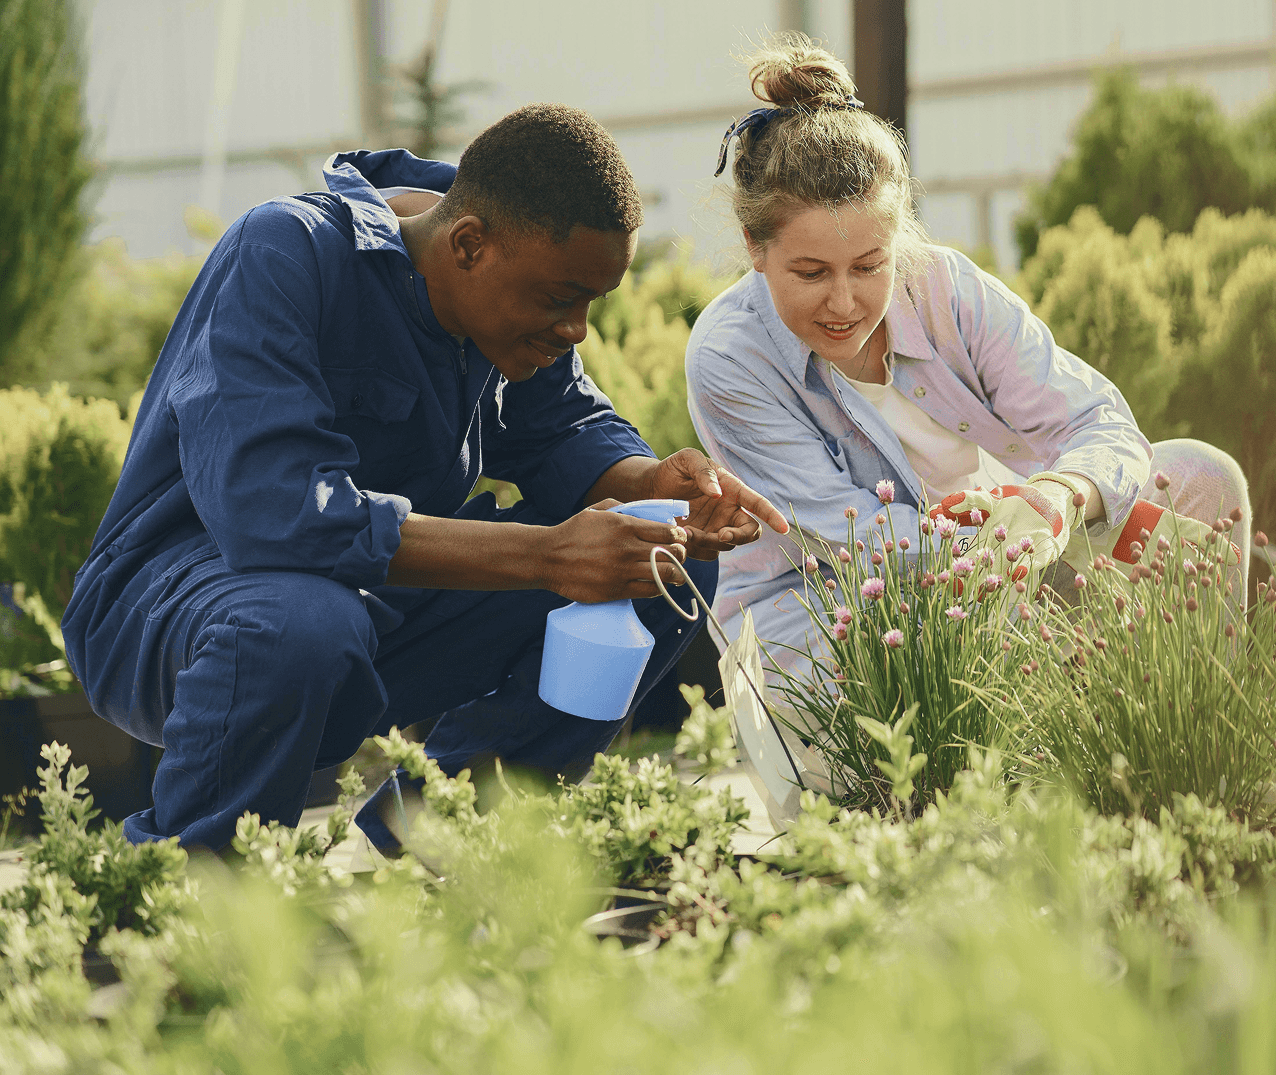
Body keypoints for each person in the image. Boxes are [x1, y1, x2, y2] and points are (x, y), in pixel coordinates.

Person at [63, 104, 786, 852]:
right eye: (559, 299)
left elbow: (567, 434)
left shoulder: (509, 259)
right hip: (169, 612)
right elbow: (274, 513)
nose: (576, 329)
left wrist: (652, 486)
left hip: (359, 608)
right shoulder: (286, 252)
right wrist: (549, 556)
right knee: (302, 620)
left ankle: (446, 831)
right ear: (469, 245)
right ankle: (188, 890)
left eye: (589, 305)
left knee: (653, 569)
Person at [686, 36, 1250, 681]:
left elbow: (1098, 422)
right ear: (756, 245)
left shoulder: (944, 288)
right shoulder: (729, 357)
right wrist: (1011, 543)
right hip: (836, 609)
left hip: (1016, 553)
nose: (843, 302)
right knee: (951, 645)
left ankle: (1184, 743)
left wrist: (1063, 497)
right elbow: (860, 545)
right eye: (812, 272)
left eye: (870, 266)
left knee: (1204, 479)